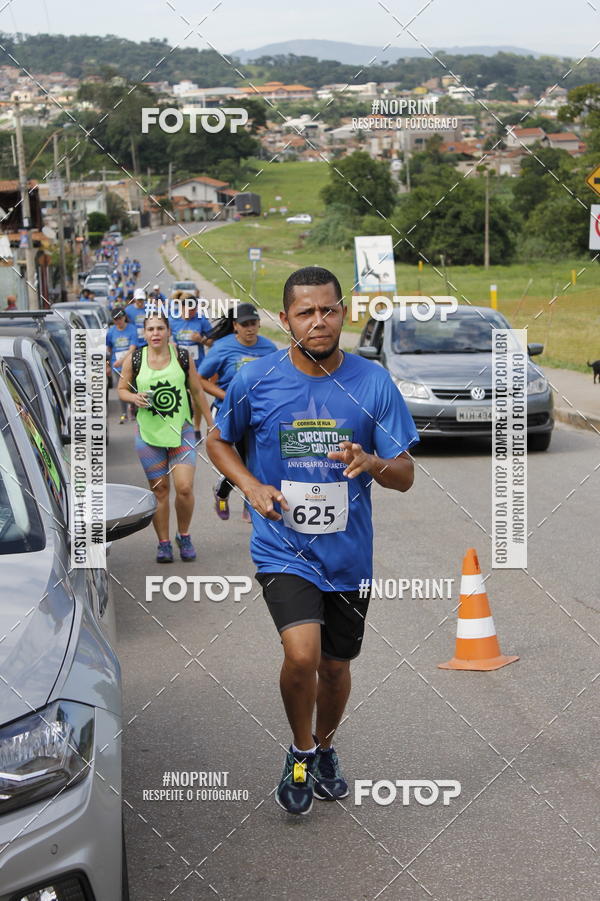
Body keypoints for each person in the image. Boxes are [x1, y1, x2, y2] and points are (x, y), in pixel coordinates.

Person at [206, 267, 418, 816]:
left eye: (328, 310)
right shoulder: (256, 379)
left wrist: (371, 461)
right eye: (306, 312)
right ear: (286, 319)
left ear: (342, 314)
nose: (318, 321)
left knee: (335, 667)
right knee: (301, 655)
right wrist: (250, 486)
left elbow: (404, 474)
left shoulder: (373, 382)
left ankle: (325, 748)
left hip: (348, 554)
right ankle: (300, 752)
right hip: (282, 546)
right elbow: (218, 441)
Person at [118, 313, 214, 563]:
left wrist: (211, 424)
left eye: (160, 328)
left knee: (184, 487)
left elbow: (197, 390)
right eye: (150, 329)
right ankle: (163, 543)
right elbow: (121, 389)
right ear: (144, 333)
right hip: (148, 434)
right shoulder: (135, 358)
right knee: (160, 490)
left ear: (169, 331)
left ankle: (184, 535)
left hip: (181, 430)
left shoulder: (182, 356)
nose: (155, 333)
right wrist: (133, 398)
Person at [199, 302, 276, 521]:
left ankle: (250, 504)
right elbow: (200, 379)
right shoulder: (222, 348)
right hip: (229, 413)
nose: (250, 328)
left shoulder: (269, 349)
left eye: (253, 323)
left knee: (258, 459)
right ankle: (222, 492)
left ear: (259, 324)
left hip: (259, 414)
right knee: (239, 461)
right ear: (235, 326)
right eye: (245, 324)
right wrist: (228, 396)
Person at [169, 295, 213, 439]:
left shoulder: (201, 320)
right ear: (181, 307)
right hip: (178, 365)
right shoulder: (173, 320)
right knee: (179, 398)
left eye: (193, 309)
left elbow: (213, 342)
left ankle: (196, 428)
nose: (190, 312)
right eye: (187, 309)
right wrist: (170, 345)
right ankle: (180, 427)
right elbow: (164, 338)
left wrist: (201, 340)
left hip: (197, 366)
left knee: (196, 398)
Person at [106, 309, 138, 423]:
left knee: (132, 387)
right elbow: (108, 349)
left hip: (131, 364)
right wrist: (107, 365)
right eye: (115, 319)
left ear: (124, 318)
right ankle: (124, 412)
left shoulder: (132, 329)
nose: (118, 321)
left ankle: (133, 409)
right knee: (121, 389)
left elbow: (133, 348)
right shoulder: (111, 332)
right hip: (117, 367)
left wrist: (122, 360)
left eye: (120, 318)